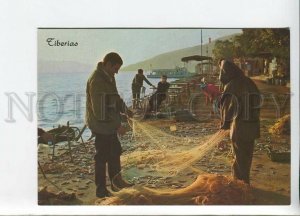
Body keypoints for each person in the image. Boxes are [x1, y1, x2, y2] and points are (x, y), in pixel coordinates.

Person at [85, 52, 133, 198]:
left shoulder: (109, 76)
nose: (117, 72)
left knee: (115, 152)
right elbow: (99, 111)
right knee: (102, 157)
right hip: (100, 125)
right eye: (115, 68)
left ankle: (116, 183)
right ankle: (101, 190)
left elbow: (115, 97)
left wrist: (126, 110)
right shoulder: (97, 80)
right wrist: (117, 126)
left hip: (109, 124)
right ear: (107, 64)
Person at [218, 59, 260, 184]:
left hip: (240, 126)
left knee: (239, 156)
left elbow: (228, 107)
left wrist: (224, 124)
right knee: (247, 155)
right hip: (252, 126)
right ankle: (244, 180)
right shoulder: (249, 81)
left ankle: (240, 183)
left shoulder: (232, 85)